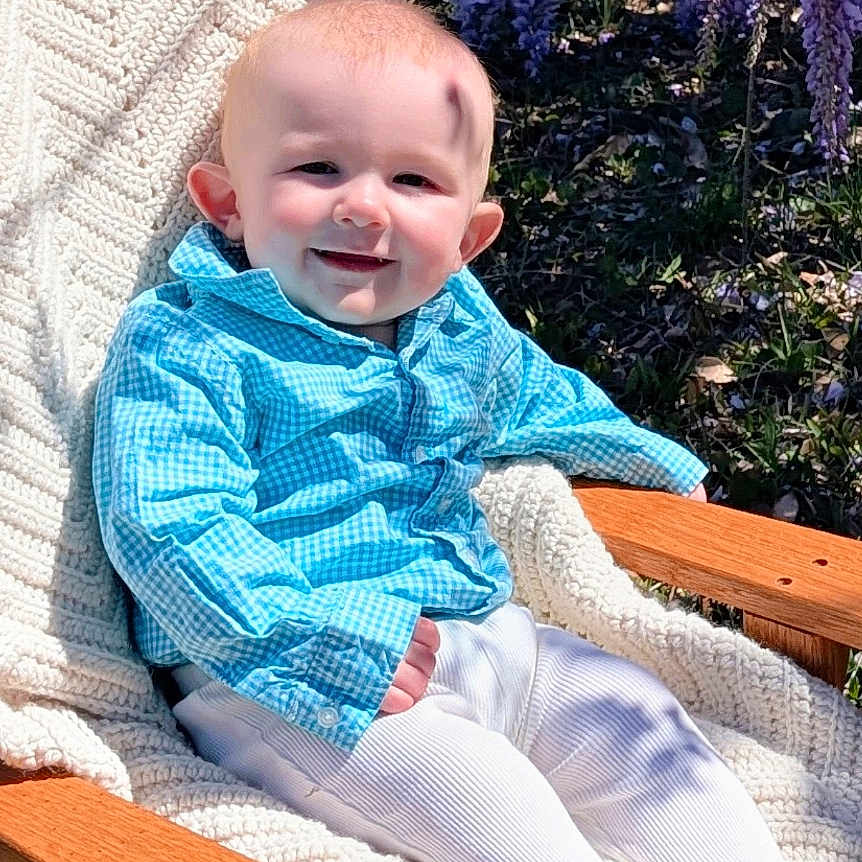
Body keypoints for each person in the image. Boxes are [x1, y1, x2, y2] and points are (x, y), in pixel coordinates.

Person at [92, 1, 784, 860]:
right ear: (227, 203)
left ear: (469, 236)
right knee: (508, 826)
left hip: (491, 641)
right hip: (288, 682)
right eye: (317, 167)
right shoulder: (193, 338)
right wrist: (318, 641)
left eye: (412, 182)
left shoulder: (456, 323)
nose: (364, 208)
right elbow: (167, 525)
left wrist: (647, 454)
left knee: (657, 746)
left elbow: (539, 397)